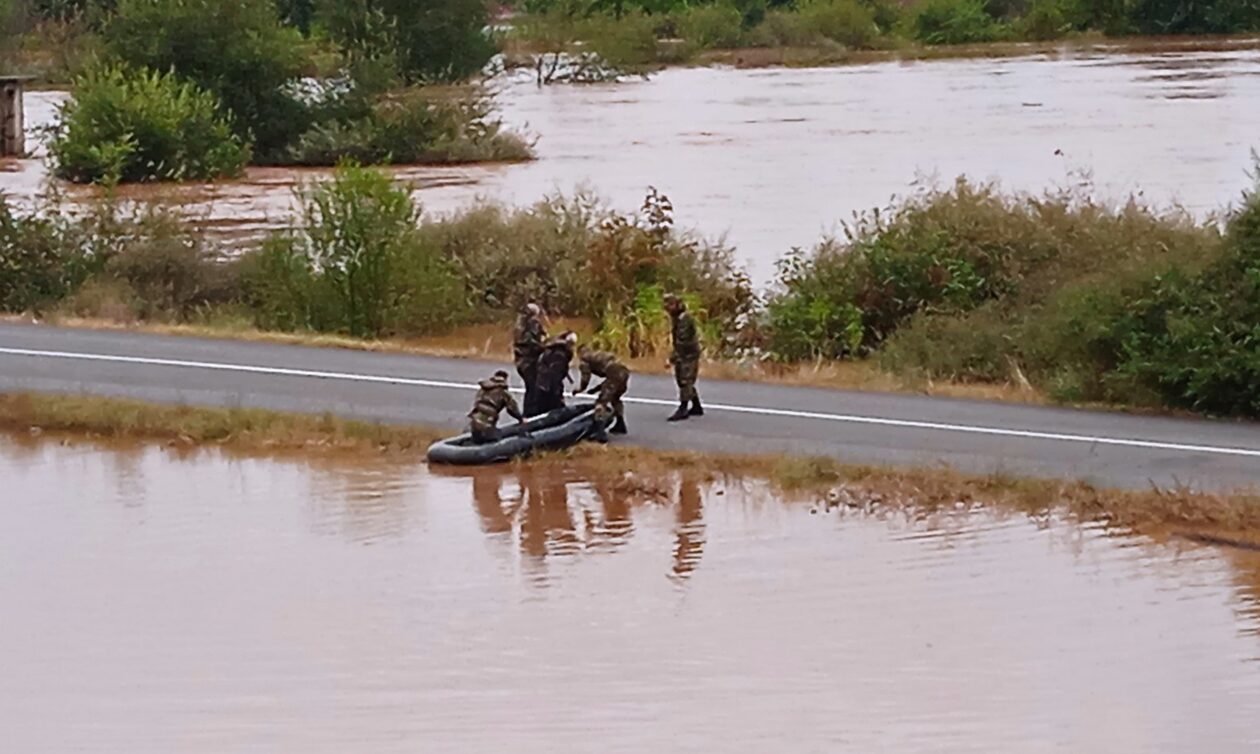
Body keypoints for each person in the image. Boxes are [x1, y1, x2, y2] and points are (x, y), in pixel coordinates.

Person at [574, 344, 630, 436]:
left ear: (579, 353)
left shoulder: (584, 359)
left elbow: (586, 376)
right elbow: (610, 381)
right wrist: (595, 389)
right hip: (624, 372)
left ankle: (599, 431)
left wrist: (580, 389)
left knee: (601, 402)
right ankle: (620, 424)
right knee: (615, 398)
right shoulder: (597, 354)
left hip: (614, 372)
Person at [664, 294, 703, 422]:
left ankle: (683, 408)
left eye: (670, 304)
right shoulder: (678, 318)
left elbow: (682, 341)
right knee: (683, 380)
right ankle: (696, 406)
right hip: (685, 353)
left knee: (685, 380)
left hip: (688, 354)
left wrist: (671, 359)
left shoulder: (684, 319)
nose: (667, 308)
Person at [467, 370, 525, 444]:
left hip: (474, 423)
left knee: (477, 441)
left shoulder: (484, 388)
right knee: (497, 442)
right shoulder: (503, 392)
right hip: (487, 425)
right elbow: (512, 409)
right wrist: (521, 418)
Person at [513, 303, 548, 416]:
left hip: (520, 361)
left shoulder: (519, 324)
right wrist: (544, 346)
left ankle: (528, 414)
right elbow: (532, 341)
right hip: (529, 361)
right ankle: (530, 415)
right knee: (533, 388)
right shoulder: (533, 322)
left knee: (530, 388)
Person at [534, 331, 577, 415]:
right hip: (548, 389)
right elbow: (555, 378)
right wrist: (559, 395)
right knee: (554, 412)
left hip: (541, 384)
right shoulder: (560, 355)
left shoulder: (552, 349)